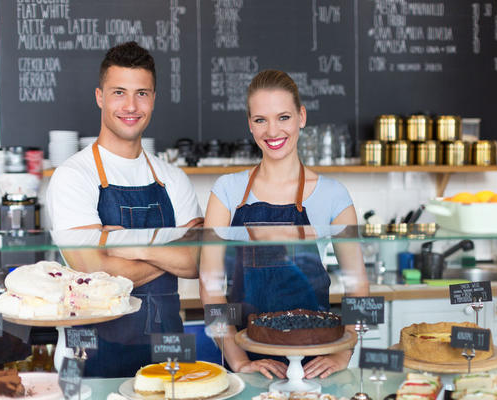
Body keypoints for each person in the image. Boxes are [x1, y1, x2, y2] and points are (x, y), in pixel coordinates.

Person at [46, 41, 203, 377]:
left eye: (142, 93)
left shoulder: (173, 178)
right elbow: (92, 270)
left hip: (168, 352)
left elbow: (199, 260)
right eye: (119, 92)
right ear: (100, 96)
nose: (131, 105)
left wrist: (124, 244)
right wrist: (171, 250)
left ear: (154, 99)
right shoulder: (73, 175)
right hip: (88, 354)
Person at [200, 70, 368, 380]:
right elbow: (209, 287)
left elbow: (358, 285)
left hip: (316, 363)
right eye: (261, 120)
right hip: (249, 363)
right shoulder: (226, 191)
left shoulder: (334, 194)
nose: (272, 130)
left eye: (284, 117)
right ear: (250, 124)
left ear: (301, 117)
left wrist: (343, 352)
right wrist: (238, 360)